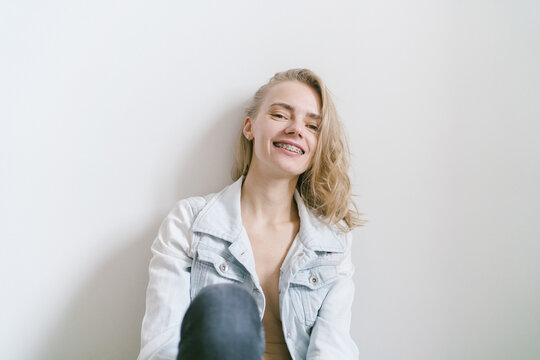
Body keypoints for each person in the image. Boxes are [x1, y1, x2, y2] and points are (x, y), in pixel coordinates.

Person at [137, 69, 364, 360]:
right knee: (227, 308)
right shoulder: (189, 222)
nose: (296, 129)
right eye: (281, 115)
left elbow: (333, 350)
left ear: (317, 146)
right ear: (250, 127)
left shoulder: (333, 242)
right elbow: (161, 345)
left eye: (313, 126)